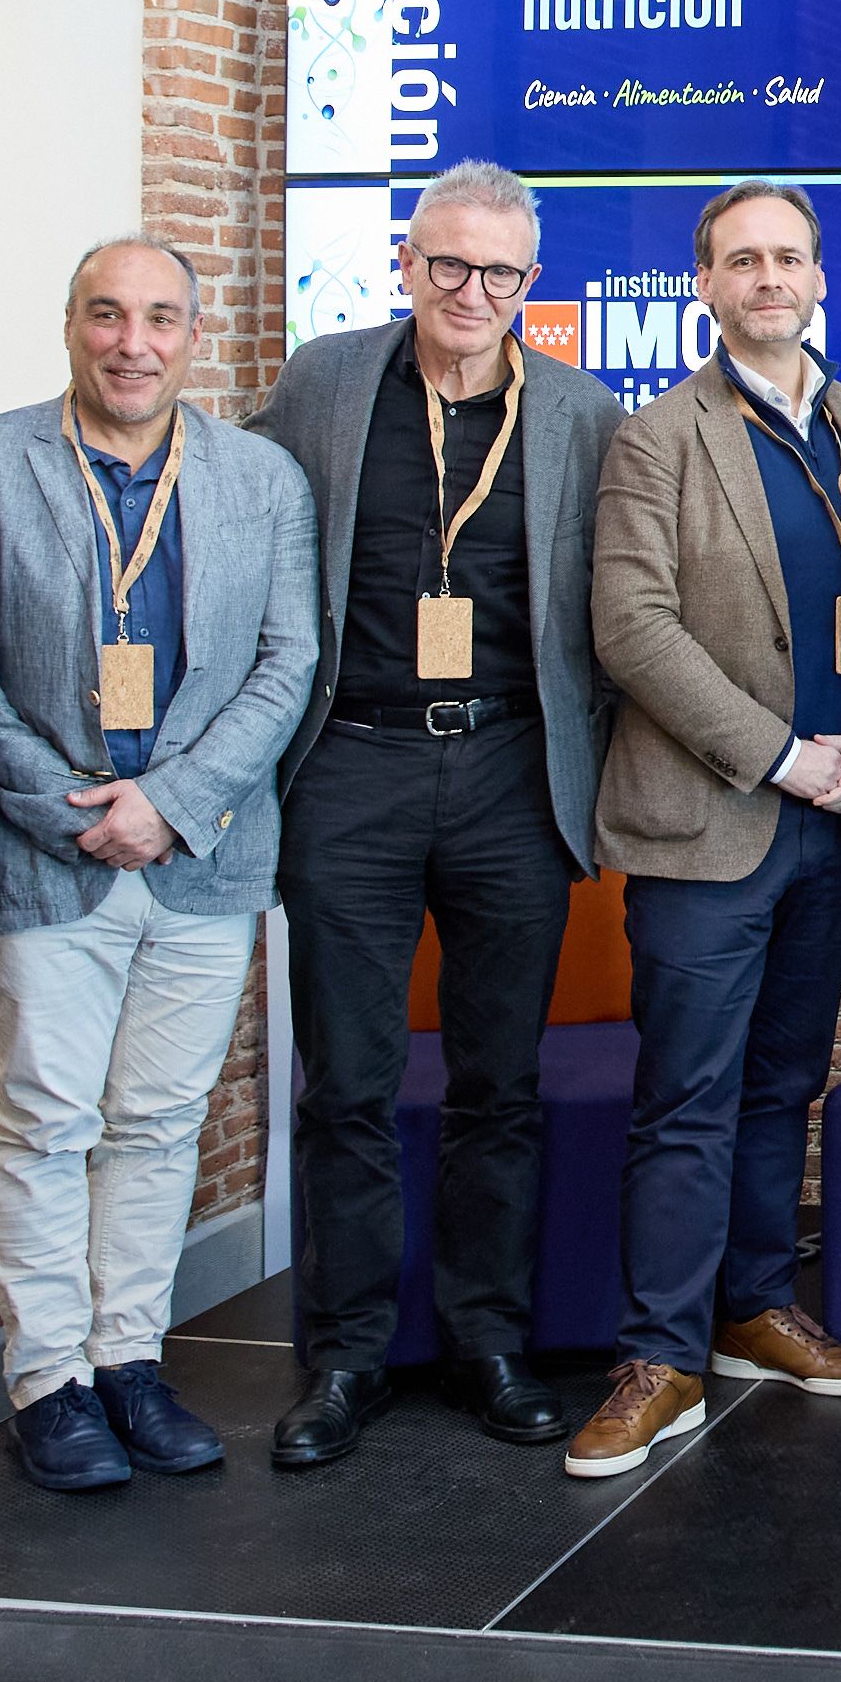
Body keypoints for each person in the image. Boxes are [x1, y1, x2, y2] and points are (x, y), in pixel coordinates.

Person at [253, 162, 618, 1470]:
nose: (472, 291)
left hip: (511, 769)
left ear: (532, 282)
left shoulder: (580, 411)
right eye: (448, 265)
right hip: (352, 764)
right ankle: (347, 1351)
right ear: (405, 263)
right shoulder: (324, 381)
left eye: (499, 272)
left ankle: (487, 1340)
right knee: (347, 1081)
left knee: (497, 1083)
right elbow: (240, 519)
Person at [0, 240, 320, 1492]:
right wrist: (70, 809)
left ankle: (129, 1360)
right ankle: (49, 1382)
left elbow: (286, 662)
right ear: (71, 325)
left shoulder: (259, 477)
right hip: (47, 855)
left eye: (160, 318)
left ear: (191, 337)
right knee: (47, 1120)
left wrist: (169, 804)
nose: (133, 343)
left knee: (159, 1125)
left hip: (204, 857)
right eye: (107, 315)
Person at [562, 183, 841, 1479]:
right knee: (687, 1095)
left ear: (819, 279)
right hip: (710, 817)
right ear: (705, 283)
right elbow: (631, 626)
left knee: (781, 1078)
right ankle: (660, 1353)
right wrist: (782, 754)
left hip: (833, 814)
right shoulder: (657, 437)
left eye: (788, 257)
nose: (769, 278)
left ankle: (754, 1305)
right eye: (743, 259)